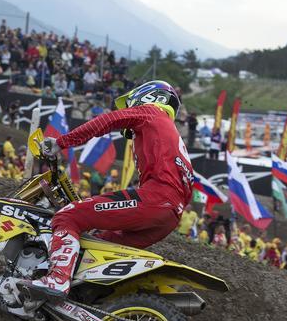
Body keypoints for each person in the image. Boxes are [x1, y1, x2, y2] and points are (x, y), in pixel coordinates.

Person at [26, 80, 193, 298]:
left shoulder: (152, 112)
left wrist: (61, 142)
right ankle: (85, 299)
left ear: (150, 97)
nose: (129, 108)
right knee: (98, 245)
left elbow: (108, 120)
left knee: (68, 216)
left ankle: (57, 280)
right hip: (170, 217)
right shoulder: (168, 133)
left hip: (156, 199)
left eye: (130, 104)